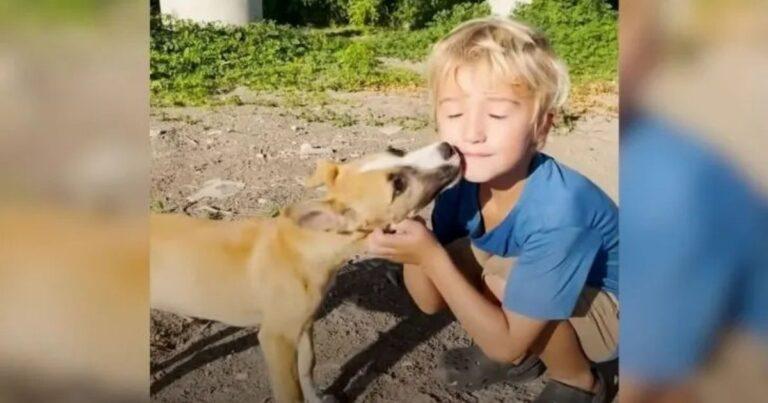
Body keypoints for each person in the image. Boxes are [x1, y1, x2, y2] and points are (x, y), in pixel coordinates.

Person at [367, 17, 618, 403]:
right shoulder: (459, 189)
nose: (472, 133)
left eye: (497, 115)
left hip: (617, 309)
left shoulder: (561, 211)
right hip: (544, 280)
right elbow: (430, 300)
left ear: (542, 127)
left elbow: (443, 273)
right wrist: (410, 228)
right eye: (454, 114)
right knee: (462, 261)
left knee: (500, 277)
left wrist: (431, 257)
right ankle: (524, 351)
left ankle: (579, 381)